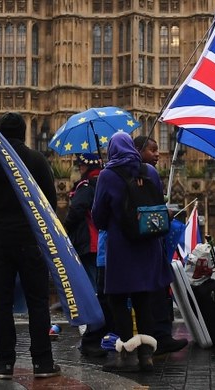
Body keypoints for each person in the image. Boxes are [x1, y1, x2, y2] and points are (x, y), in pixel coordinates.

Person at [0, 112, 61, 380]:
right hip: (30, 241)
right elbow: (51, 202)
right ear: (23, 133)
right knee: (37, 303)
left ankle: (5, 363)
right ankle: (43, 363)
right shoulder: (35, 159)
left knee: (2, 303)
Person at [93, 131, 172, 372]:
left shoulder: (107, 175)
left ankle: (127, 356)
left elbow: (98, 216)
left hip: (121, 246)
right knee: (143, 299)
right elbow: (159, 204)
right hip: (148, 245)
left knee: (118, 300)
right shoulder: (150, 172)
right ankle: (146, 355)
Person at [133, 134, 189, 355]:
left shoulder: (119, 174)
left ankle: (144, 342)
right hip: (151, 242)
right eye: (152, 150)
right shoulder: (148, 173)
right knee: (157, 290)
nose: (157, 154)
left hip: (130, 245)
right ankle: (161, 337)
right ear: (138, 151)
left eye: (158, 149)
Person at [63, 153, 114, 357]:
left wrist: (63, 229)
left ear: (84, 167)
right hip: (106, 244)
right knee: (102, 290)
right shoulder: (106, 182)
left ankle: (95, 334)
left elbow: (77, 211)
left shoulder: (86, 186)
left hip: (90, 244)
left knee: (91, 291)